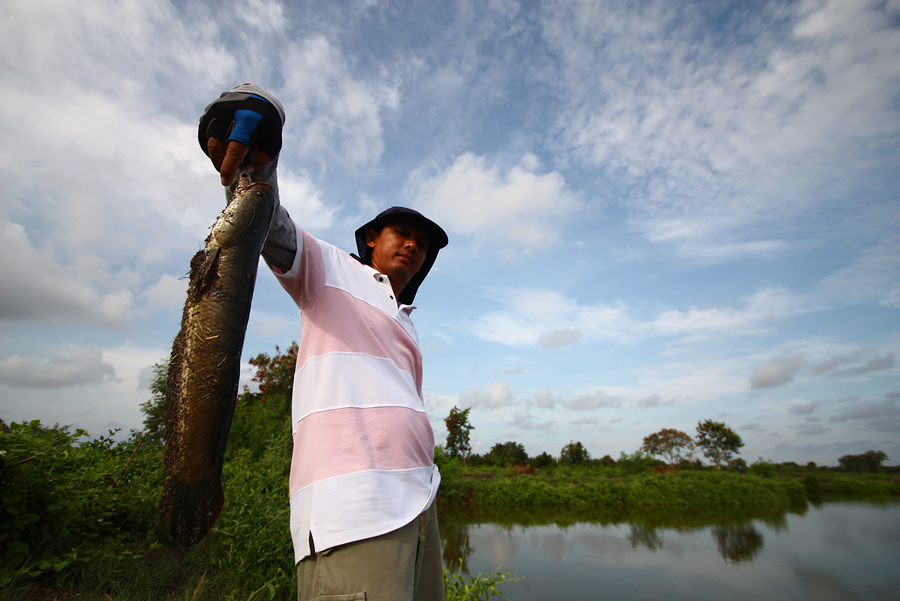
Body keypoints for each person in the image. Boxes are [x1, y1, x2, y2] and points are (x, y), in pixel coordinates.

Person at [199, 83, 448, 601]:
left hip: (421, 505)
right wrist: (258, 143)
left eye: (421, 243)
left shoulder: (406, 319)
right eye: (399, 233)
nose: (411, 244)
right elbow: (264, 219)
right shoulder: (329, 269)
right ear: (370, 243)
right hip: (352, 513)